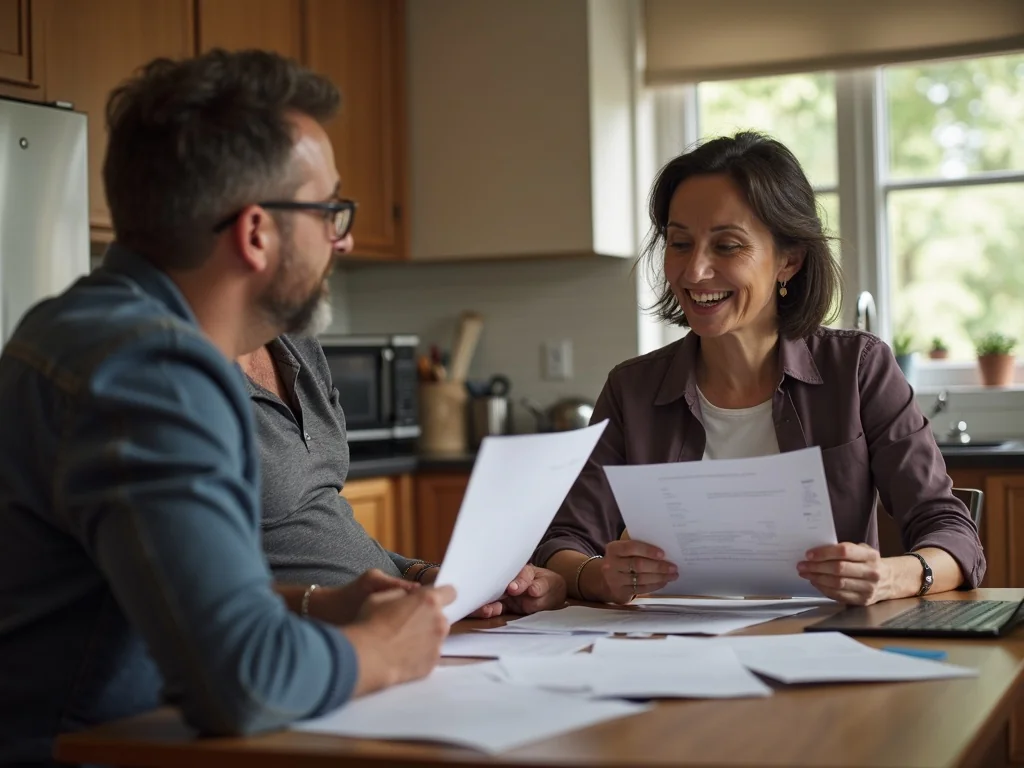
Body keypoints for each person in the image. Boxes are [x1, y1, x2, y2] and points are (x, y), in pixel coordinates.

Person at [0, 49, 454, 767]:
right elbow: (243, 685)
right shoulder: (153, 369)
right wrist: (381, 650)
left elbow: (134, 592)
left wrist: (315, 604)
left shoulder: (81, 328)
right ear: (255, 233)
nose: (347, 239)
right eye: (331, 211)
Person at [533, 131, 985, 608]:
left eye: (727, 246)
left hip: (824, 652)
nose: (694, 272)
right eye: (680, 243)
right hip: (668, 653)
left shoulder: (858, 368)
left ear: (788, 260)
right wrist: (599, 575)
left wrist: (893, 576)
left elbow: (952, 534)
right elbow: (563, 541)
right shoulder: (632, 389)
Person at [238, 333, 567, 618]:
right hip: (319, 645)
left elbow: (323, 524)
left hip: (394, 622)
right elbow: (202, 595)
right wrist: (326, 604)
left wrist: (424, 575)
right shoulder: (198, 379)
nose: (343, 254)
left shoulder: (299, 345)